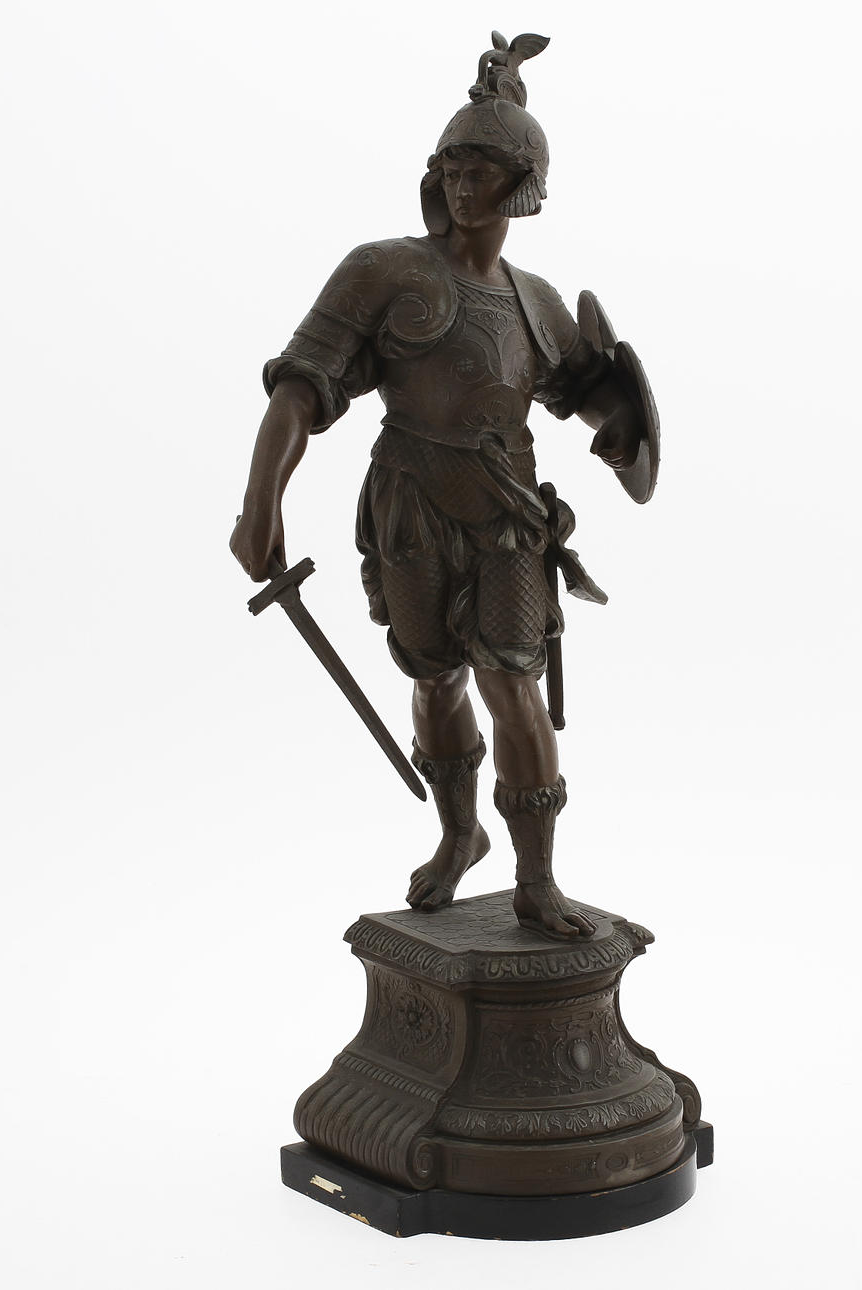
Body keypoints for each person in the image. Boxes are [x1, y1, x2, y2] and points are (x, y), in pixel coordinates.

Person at [230, 33, 647, 940]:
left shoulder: (536, 301)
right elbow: (301, 388)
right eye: (452, 167)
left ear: (523, 185)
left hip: (509, 515)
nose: (462, 185)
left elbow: (586, 391)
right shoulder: (384, 270)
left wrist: (621, 421)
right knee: (434, 678)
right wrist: (262, 502)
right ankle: (461, 835)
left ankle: (537, 877)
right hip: (410, 505)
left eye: (481, 169)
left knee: (513, 683)